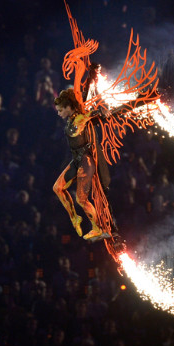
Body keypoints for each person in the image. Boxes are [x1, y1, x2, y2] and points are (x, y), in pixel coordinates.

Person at [52, 88, 113, 241]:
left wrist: (102, 111)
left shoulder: (79, 118)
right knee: (57, 188)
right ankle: (75, 218)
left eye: (60, 110)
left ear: (67, 107)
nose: (59, 113)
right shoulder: (70, 120)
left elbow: (92, 113)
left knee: (81, 199)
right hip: (76, 160)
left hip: (85, 161)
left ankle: (97, 228)